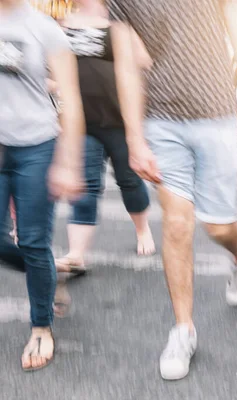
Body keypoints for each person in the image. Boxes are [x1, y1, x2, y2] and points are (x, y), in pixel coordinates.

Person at [106, 0, 237, 381]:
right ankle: (183, 330)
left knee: (218, 227)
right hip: (161, 122)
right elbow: (124, 63)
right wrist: (134, 138)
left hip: (216, 116)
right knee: (177, 224)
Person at [0, 0, 84, 370]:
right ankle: (51, 272)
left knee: (33, 241)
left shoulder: (45, 28)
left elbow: (71, 98)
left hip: (37, 146)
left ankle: (40, 326)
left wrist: (68, 162)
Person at [54, 0, 155, 281]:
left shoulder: (119, 25)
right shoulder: (62, 25)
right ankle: (77, 254)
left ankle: (142, 229)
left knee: (130, 180)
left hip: (118, 120)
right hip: (82, 122)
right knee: (85, 185)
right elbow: (53, 70)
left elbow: (144, 61)